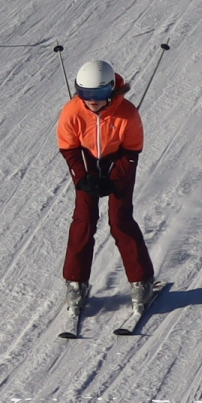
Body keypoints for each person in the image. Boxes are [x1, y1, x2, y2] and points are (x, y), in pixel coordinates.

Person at [57, 59, 156, 318]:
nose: (92, 100)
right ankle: (76, 282)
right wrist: (83, 178)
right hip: (86, 158)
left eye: (99, 93)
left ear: (111, 89)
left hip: (119, 159)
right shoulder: (72, 112)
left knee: (119, 218)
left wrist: (114, 180)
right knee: (84, 218)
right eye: (84, 93)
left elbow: (131, 152)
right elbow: (68, 148)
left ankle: (141, 280)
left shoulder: (127, 114)